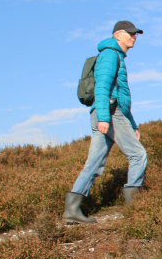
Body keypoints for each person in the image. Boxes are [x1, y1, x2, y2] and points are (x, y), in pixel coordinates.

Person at [63, 20, 148, 224]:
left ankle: (71, 210)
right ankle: (135, 207)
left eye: (135, 34)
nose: (134, 37)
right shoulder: (110, 55)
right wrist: (104, 118)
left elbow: (120, 96)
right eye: (131, 33)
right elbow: (102, 88)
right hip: (109, 113)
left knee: (94, 162)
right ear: (118, 34)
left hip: (109, 112)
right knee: (138, 154)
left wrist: (133, 125)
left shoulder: (114, 55)